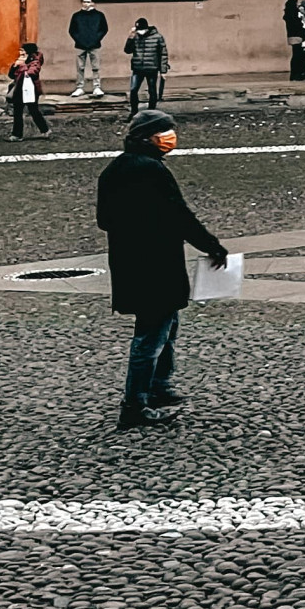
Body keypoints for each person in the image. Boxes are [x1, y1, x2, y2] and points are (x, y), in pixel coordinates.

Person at [97, 107, 229, 430]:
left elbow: (104, 220)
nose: (171, 138)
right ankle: (135, 404)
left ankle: (158, 386)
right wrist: (211, 246)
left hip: (130, 262)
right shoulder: (152, 171)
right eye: (166, 132)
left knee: (164, 325)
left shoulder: (114, 170)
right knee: (152, 335)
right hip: (155, 263)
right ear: (150, 137)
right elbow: (179, 216)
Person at [6, 42, 51, 139]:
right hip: (19, 88)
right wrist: (14, 66)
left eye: (22, 50)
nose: (20, 52)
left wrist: (22, 65)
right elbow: (11, 75)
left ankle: (45, 130)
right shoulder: (21, 60)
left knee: (33, 110)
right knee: (17, 112)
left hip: (31, 89)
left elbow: (33, 72)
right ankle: (17, 134)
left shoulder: (35, 60)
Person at [68, 0, 108, 98]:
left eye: (89, 2)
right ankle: (80, 87)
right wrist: (79, 40)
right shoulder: (76, 16)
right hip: (80, 45)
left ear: (93, 3)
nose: (86, 4)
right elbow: (72, 30)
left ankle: (97, 87)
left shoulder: (99, 15)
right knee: (80, 68)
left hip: (95, 45)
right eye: (85, 2)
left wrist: (96, 39)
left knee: (96, 67)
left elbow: (104, 29)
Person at [124, 17, 168, 112]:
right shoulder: (135, 36)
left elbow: (163, 54)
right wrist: (130, 38)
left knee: (152, 90)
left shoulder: (157, 37)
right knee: (133, 90)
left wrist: (163, 71)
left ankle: (151, 111)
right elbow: (127, 50)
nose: (140, 32)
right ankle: (134, 111)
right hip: (137, 68)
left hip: (152, 68)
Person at [283, 0, 305, 81]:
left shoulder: (287, 14)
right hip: (297, 35)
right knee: (298, 55)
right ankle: (297, 74)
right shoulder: (293, 13)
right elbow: (297, 24)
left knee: (296, 55)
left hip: (292, 36)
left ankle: (294, 74)